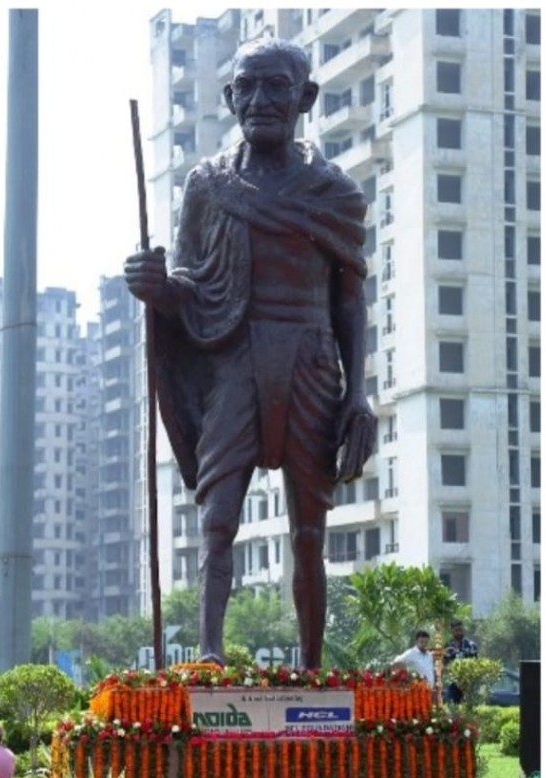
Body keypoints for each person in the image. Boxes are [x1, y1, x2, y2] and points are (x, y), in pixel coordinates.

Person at [125, 38, 376, 669]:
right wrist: (156, 287)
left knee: (309, 532)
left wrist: (358, 394)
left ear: (306, 97)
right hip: (233, 359)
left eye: (277, 86)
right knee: (218, 520)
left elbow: (349, 302)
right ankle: (210, 654)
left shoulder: (336, 194)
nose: (261, 99)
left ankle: (312, 667)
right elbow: (188, 287)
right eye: (248, 87)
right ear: (231, 96)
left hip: (312, 361)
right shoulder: (208, 186)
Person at [443, 618, 478, 703]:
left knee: (468, 706)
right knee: (451, 706)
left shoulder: (471, 645)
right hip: (452, 684)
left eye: (460, 630)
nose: (459, 632)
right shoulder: (447, 646)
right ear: (452, 631)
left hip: (468, 683)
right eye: (456, 630)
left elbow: (476, 664)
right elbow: (444, 664)